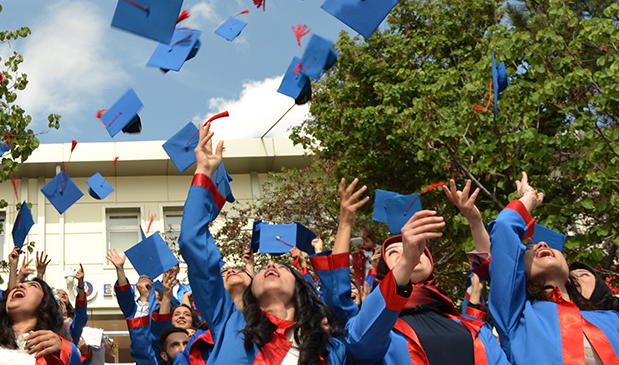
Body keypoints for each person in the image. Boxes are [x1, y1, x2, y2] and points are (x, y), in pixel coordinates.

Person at [175, 121, 348, 365]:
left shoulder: (331, 348)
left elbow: (345, 307)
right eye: (264, 269)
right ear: (250, 293)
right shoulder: (228, 323)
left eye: (283, 267)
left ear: (300, 287)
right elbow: (192, 241)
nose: (270, 265)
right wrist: (203, 171)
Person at [321, 176, 509, 365]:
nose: (408, 252)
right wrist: (345, 224)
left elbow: (495, 274)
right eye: (395, 252)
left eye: (415, 248)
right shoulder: (372, 331)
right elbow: (338, 298)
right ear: (385, 271)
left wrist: (475, 221)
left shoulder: (475, 329)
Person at [489, 172, 619, 364]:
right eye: (529, 249)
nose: (541, 244)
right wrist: (528, 199)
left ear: (570, 277)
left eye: (549, 247)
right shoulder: (516, 318)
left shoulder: (611, 319)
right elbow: (504, 228)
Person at [0, 277, 81, 364]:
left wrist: (65, 351)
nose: (19, 286)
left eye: (33, 285)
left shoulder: (56, 350)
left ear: (44, 304)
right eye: (16, 286)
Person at [106, 248, 165, 365]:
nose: (156, 302)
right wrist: (120, 270)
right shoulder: (137, 311)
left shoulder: (172, 315)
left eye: (159, 299)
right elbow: (125, 298)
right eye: (154, 298)